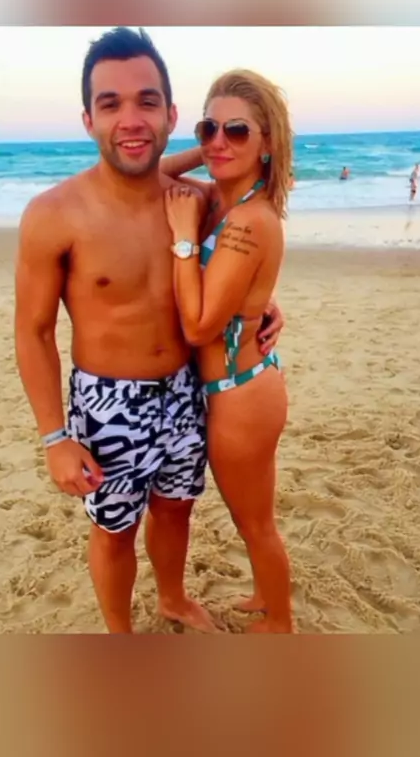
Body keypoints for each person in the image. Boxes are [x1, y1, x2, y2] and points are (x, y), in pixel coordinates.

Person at [14, 27, 284, 635]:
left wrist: (263, 307)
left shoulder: (194, 202)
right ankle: (120, 635)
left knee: (176, 511)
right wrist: (55, 437)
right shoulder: (54, 215)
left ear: (171, 115)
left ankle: (172, 598)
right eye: (110, 104)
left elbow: (239, 258)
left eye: (147, 101)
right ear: (89, 119)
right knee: (114, 532)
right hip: (107, 404)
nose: (131, 119)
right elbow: (32, 331)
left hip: (185, 391)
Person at [164, 68, 294, 633]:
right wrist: (213, 151)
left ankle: (280, 622)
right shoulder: (218, 199)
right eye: (208, 128)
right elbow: (150, 172)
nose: (218, 141)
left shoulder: (249, 219)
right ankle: (266, 595)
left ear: (268, 143)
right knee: (250, 516)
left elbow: (198, 327)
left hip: (240, 394)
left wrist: (183, 239)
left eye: (237, 131)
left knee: (256, 522)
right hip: (238, 385)